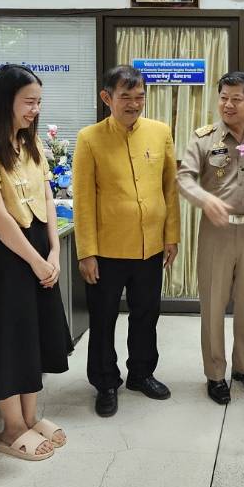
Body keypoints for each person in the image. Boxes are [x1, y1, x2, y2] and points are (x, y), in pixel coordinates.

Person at [0, 65, 70, 461]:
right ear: (3, 100)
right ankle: (11, 428)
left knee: (35, 336)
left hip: (40, 245)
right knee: (9, 340)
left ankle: (30, 416)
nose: (34, 110)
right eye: (29, 102)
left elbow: (47, 200)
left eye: (38, 102)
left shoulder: (32, 143)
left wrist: (54, 253)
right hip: (6, 255)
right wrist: (36, 261)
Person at [74, 64, 179, 417]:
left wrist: (172, 236)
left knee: (147, 313)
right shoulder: (89, 138)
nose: (134, 104)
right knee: (103, 318)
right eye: (125, 97)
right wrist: (86, 252)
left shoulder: (160, 132)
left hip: (150, 245)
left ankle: (141, 373)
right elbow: (83, 200)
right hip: (105, 250)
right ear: (107, 98)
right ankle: (105, 382)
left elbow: (170, 188)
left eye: (139, 97)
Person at [177, 71, 244, 405]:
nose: (227, 105)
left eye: (235, 99)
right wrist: (205, 199)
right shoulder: (203, 138)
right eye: (223, 97)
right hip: (216, 232)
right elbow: (184, 178)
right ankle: (215, 373)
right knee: (214, 304)